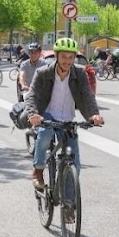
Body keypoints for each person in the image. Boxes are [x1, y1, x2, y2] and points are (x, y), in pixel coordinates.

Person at [23, 37, 103, 190]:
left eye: (71, 57)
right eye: (64, 57)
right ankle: (38, 170)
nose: (67, 61)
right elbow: (32, 94)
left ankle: (69, 205)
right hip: (47, 114)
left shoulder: (79, 73)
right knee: (45, 134)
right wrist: (33, 114)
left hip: (67, 118)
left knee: (75, 165)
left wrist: (94, 115)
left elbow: (87, 95)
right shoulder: (43, 72)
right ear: (56, 55)